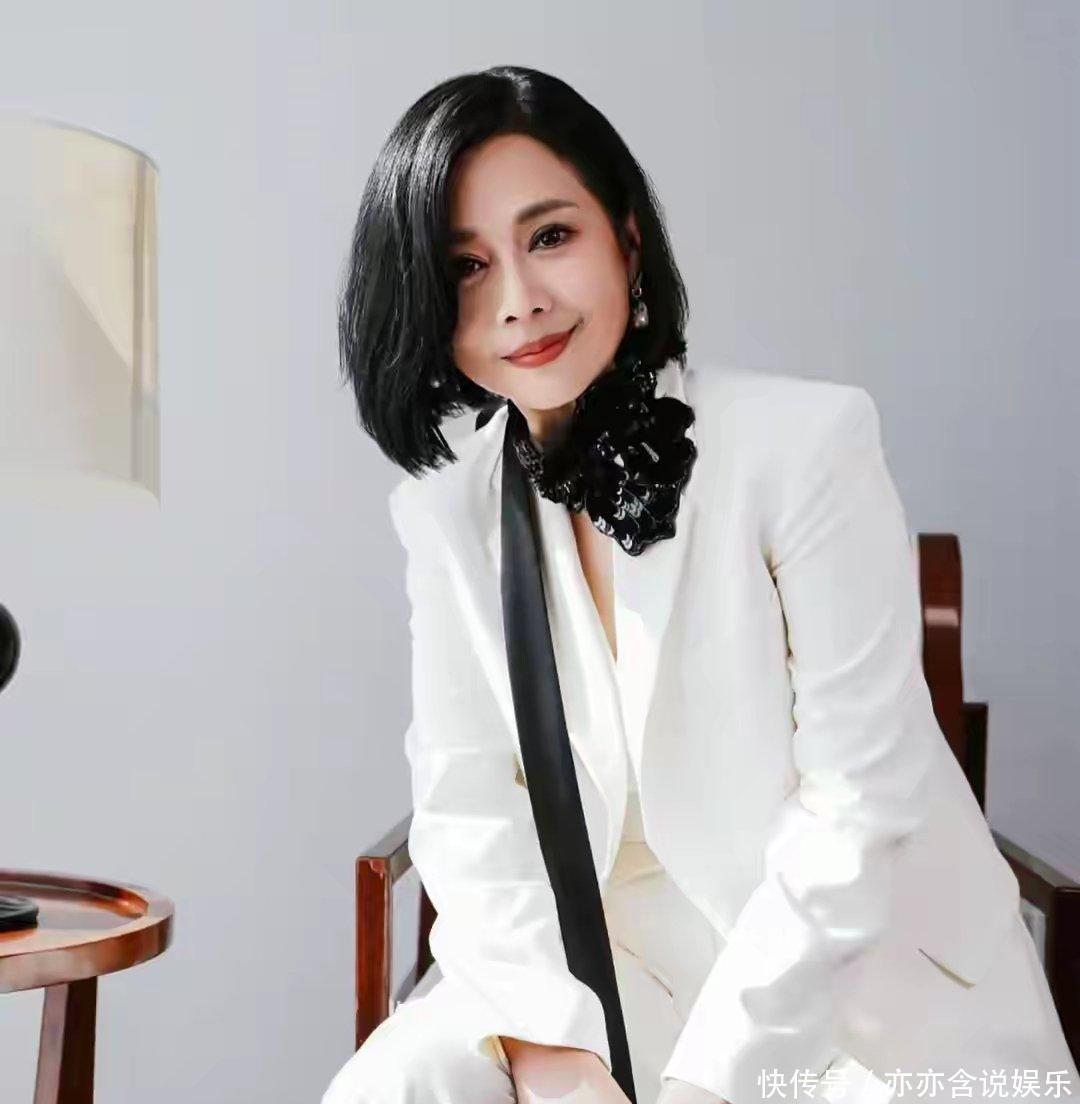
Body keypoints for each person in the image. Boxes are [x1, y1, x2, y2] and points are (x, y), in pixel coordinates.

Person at [322, 65, 1078, 1104]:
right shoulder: (444, 512)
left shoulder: (806, 444)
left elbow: (858, 805)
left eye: (551, 236)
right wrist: (553, 1055)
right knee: (399, 1084)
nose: (519, 300)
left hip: (849, 979)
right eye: (465, 267)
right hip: (607, 971)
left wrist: (710, 1087)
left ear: (627, 240)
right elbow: (465, 810)